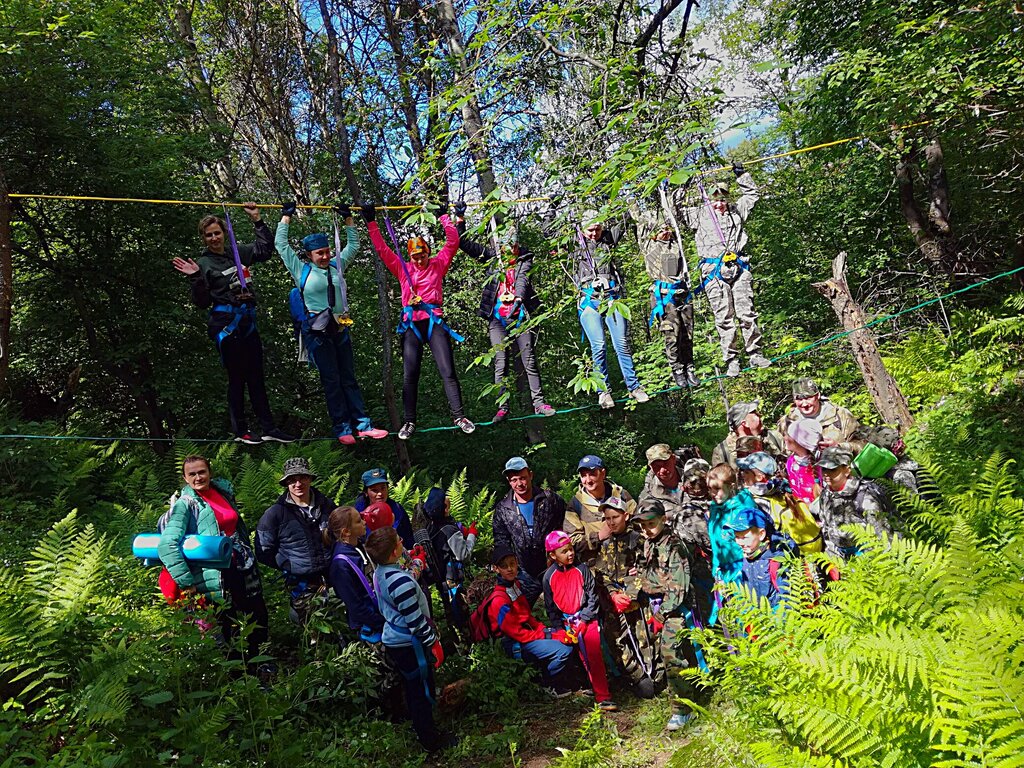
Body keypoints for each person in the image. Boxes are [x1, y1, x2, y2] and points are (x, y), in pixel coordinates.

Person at [172, 205, 294, 444]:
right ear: (204, 238)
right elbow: (201, 302)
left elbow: (264, 250)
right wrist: (195, 277)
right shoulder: (203, 264)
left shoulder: (236, 253)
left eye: (217, 233)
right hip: (226, 327)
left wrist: (258, 220)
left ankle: (268, 427)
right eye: (209, 235)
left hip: (247, 323)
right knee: (237, 378)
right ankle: (241, 430)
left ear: (224, 233)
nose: (214, 238)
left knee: (257, 378)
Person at [276, 202, 388, 445]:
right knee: (332, 380)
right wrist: (286, 217)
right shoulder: (301, 270)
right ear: (309, 255)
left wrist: (348, 219)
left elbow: (354, 245)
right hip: (317, 332)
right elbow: (281, 246)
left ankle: (363, 425)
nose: (326, 256)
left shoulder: (338, 265)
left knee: (348, 377)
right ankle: (342, 427)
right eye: (320, 253)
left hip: (339, 328)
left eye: (328, 251)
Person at [360, 202, 473, 439]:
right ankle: (409, 422)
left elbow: (453, 242)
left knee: (447, 370)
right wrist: (371, 222)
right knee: (410, 374)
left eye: (422, 256)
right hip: (412, 323)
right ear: (410, 256)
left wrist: (444, 216)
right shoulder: (403, 268)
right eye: (415, 257)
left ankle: (459, 416)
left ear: (428, 253)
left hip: (433, 321)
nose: (420, 261)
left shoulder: (438, 264)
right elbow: (382, 250)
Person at [157, 455, 269, 672]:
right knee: (227, 623)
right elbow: (166, 545)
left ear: (209, 472)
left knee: (257, 614)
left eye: (202, 472)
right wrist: (186, 582)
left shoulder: (222, 493)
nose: (198, 477)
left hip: (242, 567)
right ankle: (238, 675)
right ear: (185, 478)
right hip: (214, 576)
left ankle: (259, 664)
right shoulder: (186, 505)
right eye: (192, 474)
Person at [454, 203, 554, 421]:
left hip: (520, 316)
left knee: (529, 361)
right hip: (497, 318)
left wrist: (518, 298)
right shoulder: (491, 257)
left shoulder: (524, 258)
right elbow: (463, 243)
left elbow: (523, 280)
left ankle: (539, 403)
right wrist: (460, 218)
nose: (511, 252)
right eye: (507, 248)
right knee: (501, 362)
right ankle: (502, 406)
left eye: (514, 247)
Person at [673, 165, 770, 377]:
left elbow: (752, 194)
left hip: (739, 267)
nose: (720, 204)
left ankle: (755, 353)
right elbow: (675, 210)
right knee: (724, 317)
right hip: (713, 271)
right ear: (708, 200)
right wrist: (684, 183)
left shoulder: (736, 210)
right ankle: (732, 359)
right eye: (715, 200)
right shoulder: (698, 214)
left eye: (723, 200)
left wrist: (742, 175)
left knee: (747, 312)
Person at [366, 527, 453, 752]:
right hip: (409, 642)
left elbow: (406, 576)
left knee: (416, 685)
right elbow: (415, 622)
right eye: (399, 541)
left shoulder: (381, 572)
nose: (403, 542)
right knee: (418, 689)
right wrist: (433, 641)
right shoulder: (398, 582)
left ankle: (425, 725)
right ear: (394, 551)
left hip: (397, 637)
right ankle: (430, 738)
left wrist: (417, 563)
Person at [471, 546, 576, 693]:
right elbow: (517, 633)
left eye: (512, 564)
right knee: (563, 651)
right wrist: (548, 635)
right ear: (496, 569)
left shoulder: (516, 585)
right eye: (504, 566)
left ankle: (551, 679)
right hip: (512, 643)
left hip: (524, 635)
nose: (510, 569)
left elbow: (526, 616)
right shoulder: (499, 601)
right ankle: (548, 685)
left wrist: (546, 631)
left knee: (566, 639)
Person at [573, 210, 649, 408]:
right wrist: (553, 208)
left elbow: (625, 218)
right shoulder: (575, 244)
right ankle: (603, 392)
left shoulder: (608, 240)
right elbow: (550, 233)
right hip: (589, 300)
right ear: (582, 229)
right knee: (598, 346)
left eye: (597, 229)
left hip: (611, 298)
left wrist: (611, 197)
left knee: (622, 343)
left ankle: (634, 387)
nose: (594, 234)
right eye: (590, 230)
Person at [256, 457, 337, 625]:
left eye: (302, 478)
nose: (298, 484)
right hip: (301, 582)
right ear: (286, 483)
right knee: (308, 624)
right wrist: (287, 564)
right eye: (292, 480)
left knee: (338, 621)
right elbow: (263, 550)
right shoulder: (275, 514)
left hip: (333, 576)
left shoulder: (327, 505)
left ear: (310, 479)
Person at [542, 530, 617, 712]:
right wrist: (559, 628)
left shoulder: (582, 570)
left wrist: (585, 618)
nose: (570, 554)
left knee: (593, 655)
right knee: (580, 658)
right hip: (566, 623)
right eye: (564, 551)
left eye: (571, 549)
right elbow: (550, 606)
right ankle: (591, 686)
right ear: (553, 555)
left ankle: (604, 696)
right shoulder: (548, 577)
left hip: (586, 619)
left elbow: (592, 597)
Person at [636, 502, 695, 730]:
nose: (646, 529)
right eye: (643, 525)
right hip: (657, 605)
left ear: (663, 520)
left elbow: (679, 588)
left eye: (651, 523)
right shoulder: (651, 543)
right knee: (665, 651)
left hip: (674, 608)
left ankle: (683, 709)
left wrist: (661, 616)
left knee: (671, 652)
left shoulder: (675, 547)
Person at [638, 445, 713, 620]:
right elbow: (646, 530)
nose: (662, 470)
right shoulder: (649, 495)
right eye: (656, 466)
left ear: (673, 458)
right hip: (683, 564)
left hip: (713, 550)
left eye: (665, 463)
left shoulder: (693, 474)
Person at [628, 202, 698, 388]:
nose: (665, 233)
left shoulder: (676, 244)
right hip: (664, 296)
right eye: (661, 230)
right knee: (671, 334)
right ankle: (677, 368)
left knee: (687, 333)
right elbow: (639, 221)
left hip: (682, 292)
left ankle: (689, 366)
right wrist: (630, 199)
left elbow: (673, 212)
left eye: (667, 229)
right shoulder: (649, 245)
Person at [591, 497, 654, 698]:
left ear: (626, 516)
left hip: (637, 601)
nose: (611, 522)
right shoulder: (605, 543)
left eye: (615, 517)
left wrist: (630, 594)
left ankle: (653, 673)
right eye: (607, 518)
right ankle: (635, 675)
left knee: (644, 638)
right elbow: (600, 574)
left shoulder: (638, 540)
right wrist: (612, 594)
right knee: (614, 639)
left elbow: (645, 570)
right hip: (613, 601)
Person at [492, 456, 566, 605]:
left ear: (530, 475)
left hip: (553, 566)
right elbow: (501, 542)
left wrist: (557, 555)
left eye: (523, 478)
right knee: (522, 613)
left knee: (561, 607)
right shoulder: (503, 508)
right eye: (514, 480)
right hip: (523, 572)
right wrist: (510, 568)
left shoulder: (549, 500)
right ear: (509, 481)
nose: (519, 484)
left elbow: (565, 527)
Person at [811, 446, 895, 560]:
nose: (826, 474)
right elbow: (826, 528)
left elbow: (883, 538)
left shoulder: (864, 497)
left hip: (866, 561)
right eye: (824, 469)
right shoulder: (825, 495)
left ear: (847, 470)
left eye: (832, 469)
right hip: (838, 559)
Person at [737, 452, 824, 554]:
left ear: (759, 477)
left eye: (747, 472)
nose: (743, 474)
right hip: (812, 549)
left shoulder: (761, 502)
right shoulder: (780, 491)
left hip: (794, 556)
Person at [323, 506, 384, 640]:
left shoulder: (359, 546)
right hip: (371, 626)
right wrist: (382, 622)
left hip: (380, 614)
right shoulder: (340, 565)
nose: (364, 522)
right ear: (346, 532)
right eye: (359, 521)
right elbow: (355, 606)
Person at [566, 454, 637, 563]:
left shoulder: (621, 495)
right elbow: (571, 541)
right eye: (583, 475)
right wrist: (598, 537)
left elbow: (640, 525)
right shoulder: (576, 504)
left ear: (603, 473)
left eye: (592, 474)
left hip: (626, 564)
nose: (588, 480)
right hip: (595, 570)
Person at [720, 502, 790, 611]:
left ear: (761, 534)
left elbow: (789, 602)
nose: (739, 542)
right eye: (737, 537)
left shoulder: (776, 561)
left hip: (776, 620)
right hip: (756, 619)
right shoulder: (748, 555)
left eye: (744, 537)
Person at [422, 487, 477, 625]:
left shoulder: (431, 526)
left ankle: (454, 630)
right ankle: (466, 636)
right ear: (445, 509)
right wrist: (471, 535)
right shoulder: (450, 530)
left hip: (441, 576)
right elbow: (463, 555)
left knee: (449, 610)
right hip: (453, 579)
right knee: (460, 610)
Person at [777, 378, 860, 447]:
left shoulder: (841, 415)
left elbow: (862, 446)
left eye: (808, 398)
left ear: (818, 396)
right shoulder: (786, 422)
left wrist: (838, 447)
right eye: (799, 399)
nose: (804, 404)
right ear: (794, 400)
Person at [705, 464, 749, 586]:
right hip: (721, 569)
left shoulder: (742, 511)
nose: (713, 493)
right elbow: (716, 543)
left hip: (741, 569)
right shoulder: (715, 509)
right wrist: (716, 570)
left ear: (731, 487)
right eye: (709, 488)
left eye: (717, 488)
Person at [352, 468, 415, 548]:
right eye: (374, 490)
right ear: (366, 493)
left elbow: (409, 539)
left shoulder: (398, 510)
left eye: (383, 488)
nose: (380, 493)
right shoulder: (358, 515)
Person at [711, 401, 785, 468]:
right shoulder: (722, 452)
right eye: (755, 414)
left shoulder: (774, 437)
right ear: (744, 423)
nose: (760, 415)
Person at [785, 418, 824, 503]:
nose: (785, 438)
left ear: (801, 442)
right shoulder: (790, 461)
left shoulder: (820, 465)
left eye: (789, 435)